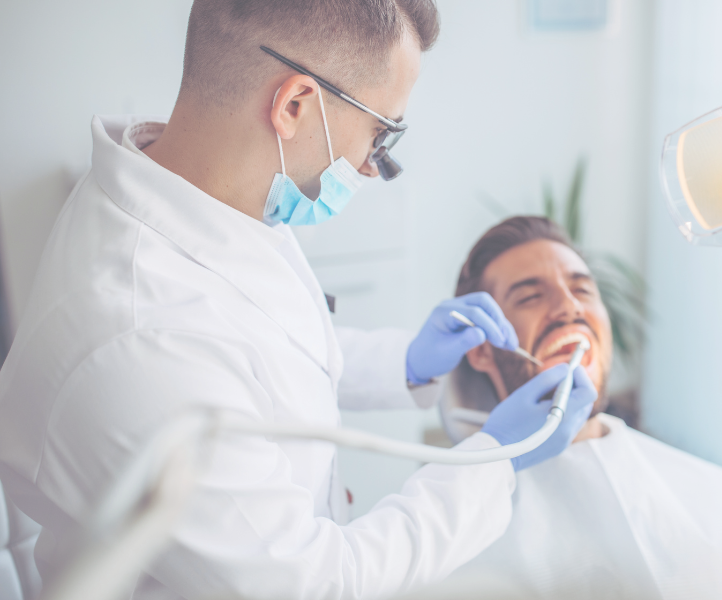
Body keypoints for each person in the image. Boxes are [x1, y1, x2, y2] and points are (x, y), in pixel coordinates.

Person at [0, 3, 596, 600]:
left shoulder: (198, 189)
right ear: (293, 105)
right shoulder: (140, 337)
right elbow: (315, 583)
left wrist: (407, 362)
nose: (372, 166)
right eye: (381, 132)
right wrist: (495, 461)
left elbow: (260, 357)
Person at [438, 216, 722, 600]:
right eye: (530, 297)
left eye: (582, 290)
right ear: (482, 350)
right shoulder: (452, 549)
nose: (569, 307)